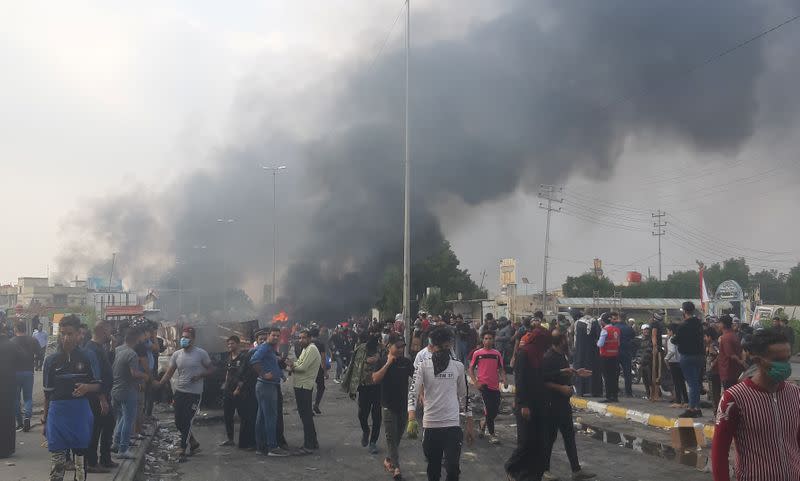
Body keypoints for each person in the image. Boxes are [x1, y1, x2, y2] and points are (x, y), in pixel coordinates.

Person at [711, 328, 800, 481]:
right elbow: (719, 452)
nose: (785, 365)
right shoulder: (734, 399)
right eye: (778, 360)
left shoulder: (795, 393)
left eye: (787, 359)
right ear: (758, 360)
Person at [408, 326, 474, 481]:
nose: (442, 350)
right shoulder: (423, 366)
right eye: (439, 346)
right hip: (431, 425)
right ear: (432, 346)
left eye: (446, 346)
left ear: (450, 345)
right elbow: (413, 392)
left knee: (452, 470)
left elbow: (465, 396)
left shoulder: (458, 366)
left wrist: (469, 423)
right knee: (433, 469)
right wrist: (411, 416)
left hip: (452, 425)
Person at [43, 315, 101, 481]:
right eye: (63, 334)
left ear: (78, 334)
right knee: (57, 461)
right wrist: (45, 420)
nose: (66, 338)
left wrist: (87, 387)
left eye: (69, 333)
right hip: (57, 412)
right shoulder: (51, 360)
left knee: (80, 461)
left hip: (80, 412)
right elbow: (48, 394)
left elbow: (99, 385)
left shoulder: (88, 357)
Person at [542, 333, 595, 481]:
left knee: (569, 436)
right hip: (552, 404)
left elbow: (563, 374)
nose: (569, 341)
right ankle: (544, 470)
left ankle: (576, 470)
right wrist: (560, 388)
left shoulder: (562, 356)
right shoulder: (548, 357)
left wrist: (576, 373)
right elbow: (542, 379)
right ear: (559, 341)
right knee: (549, 438)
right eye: (566, 339)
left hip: (563, 404)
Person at [157, 327, 215, 461]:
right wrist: (159, 384)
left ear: (193, 339)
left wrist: (201, 375)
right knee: (178, 421)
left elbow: (211, 369)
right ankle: (193, 442)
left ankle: (182, 447)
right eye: (183, 337)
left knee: (188, 420)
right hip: (180, 391)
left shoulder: (201, 354)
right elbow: (169, 372)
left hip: (194, 393)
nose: (184, 339)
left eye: (187, 337)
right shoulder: (177, 354)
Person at [505, 326, 551, 481]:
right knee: (526, 441)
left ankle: (530, 473)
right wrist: (523, 404)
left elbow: (541, 376)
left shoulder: (538, 354)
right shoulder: (524, 354)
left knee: (538, 440)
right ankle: (511, 467)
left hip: (539, 402)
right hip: (526, 403)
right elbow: (521, 380)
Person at [372, 332, 413, 481]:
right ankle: (396, 468)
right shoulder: (381, 360)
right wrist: (388, 363)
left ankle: (389, 459)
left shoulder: (406, 362)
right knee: (391, 438)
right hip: (388, 405)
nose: (401, 350)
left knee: (397, 436)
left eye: (402, 347)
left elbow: (415, 378)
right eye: (398, 347)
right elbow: (375, 379)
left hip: (403, 405)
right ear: (389, 346)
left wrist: (420, 394)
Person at [249, 327, 290, 456]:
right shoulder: (265, 347)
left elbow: (271, 363)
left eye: (278, 336)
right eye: (274, 335)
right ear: (268, 336)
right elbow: (254, 360)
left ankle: (260, 447)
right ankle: (272, 447)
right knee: (271, 417)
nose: (276, 338)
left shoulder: (270, 349)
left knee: (261, 417)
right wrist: (263, 374)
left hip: (266, 386)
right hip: (266, 386)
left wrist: (281, 374)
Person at [111, 326, 149, 460]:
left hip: (114, 389)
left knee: (121, 417)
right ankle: (123, 449)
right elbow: (133, 373)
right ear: (137, 339)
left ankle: (116, 442)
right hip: (127, 390)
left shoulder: (117, 350)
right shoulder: (132, 354)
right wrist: (145, 376)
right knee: (129, 419)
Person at [84, 321, 116, 472]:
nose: (111, 333)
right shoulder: (91, 350)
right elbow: (95, 376)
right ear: (103, 331)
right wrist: (102, 399)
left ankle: (105, 458)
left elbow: (106, 367)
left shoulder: (100, 348)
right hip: (97, 397)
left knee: (109, 425)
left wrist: (112, 347)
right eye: (110, 331)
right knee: (95, 429)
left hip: (104, 394)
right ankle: (92, 462)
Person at [468, 331, 506, 444]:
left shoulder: (497, 354)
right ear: (482, 340)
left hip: (495, 386)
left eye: (490, 338)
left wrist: (504, 379)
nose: (488, 340)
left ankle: (483, 423)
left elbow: (501, 369)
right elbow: (470, 369)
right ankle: (492, 434)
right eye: (485, 338)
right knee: (489, 409)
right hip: (483, 386)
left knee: (494, 411)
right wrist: (475, 382)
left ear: (493, 340)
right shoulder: (477, 353)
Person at [287, 329, 321, 454]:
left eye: (304, 338)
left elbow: (302, 367)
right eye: (299, 338)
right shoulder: (305, 349)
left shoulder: (311, 349)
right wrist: (292, 365)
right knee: (305, 416)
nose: (301, 340)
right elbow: (298, 363)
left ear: (310, 338)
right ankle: (313, 441)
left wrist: (291, 366)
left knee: (306, 416)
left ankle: (309, 445)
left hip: (304, 386)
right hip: (300, 385)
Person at [672, 302, 705, 418]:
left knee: (692, 384)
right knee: (696, 382)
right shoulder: (699, 324)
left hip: (687, 356)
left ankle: (691, 408)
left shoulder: (683, 326)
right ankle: (697, 408)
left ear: (684, 312)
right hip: (700, 356)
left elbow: (675, 340)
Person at [1, 323, 25, 458]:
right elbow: (23, 358)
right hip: (8, 386)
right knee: (8, 417)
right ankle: (7, 448)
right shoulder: (11, 345)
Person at [220, 336, 249, 447]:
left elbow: (243, 376)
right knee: (228, 415)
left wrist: (238, 389)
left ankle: (244, 440)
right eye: (228, 344)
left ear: (237, 344)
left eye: (232, 343)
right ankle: (230, 439)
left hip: (239, 391)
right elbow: (228, 372)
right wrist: (225, 384)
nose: (230, 346)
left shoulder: (243, 358)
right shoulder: (229, 357)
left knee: (243, 415)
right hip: (228, 390)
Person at [11, 321, 40, 432]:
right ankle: (27, 417)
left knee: (16, 398)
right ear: (25, 329)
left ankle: (19, 422)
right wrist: (35, 361)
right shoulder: (33, 340)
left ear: (16, 329)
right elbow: (40, 354)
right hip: (28, 372)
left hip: (15, 373)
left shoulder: (11, 342)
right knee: (28, 398)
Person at [596, 312, 621, 403]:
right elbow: (618, 343)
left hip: (605, 357)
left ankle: (608, 396)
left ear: (603, 321)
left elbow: (600, 344)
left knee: (607, 377)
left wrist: (597, 342)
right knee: (614, 377)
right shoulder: (617, 330)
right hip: (615, 356)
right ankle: (614, 396)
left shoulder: (604, 330)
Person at [717, 315, 746, 390]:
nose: (718, 325)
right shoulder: (734, 335)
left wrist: (741, 361)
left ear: (723, 324)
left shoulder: (725, 337)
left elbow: (731, 354)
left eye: (719, 323)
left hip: (727, 371)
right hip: (734, 371)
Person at [665, 323, 688, 408]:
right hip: (681, 361)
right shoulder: (680, 339)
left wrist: (666, 359)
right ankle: (686, 401)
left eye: (668, 330)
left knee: (676, 382)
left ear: (671, 331)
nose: (667, 332)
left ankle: (678, 401)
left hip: (673, 362)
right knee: (681, 382)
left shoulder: (671, 339)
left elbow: (671, 351)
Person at [309, 327, 328, 415]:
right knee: (321, 387)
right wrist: (325, 371)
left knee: (309, 388)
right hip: (318, 369)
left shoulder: (307, 343)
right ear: (318, 334)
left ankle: (309, 408)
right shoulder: (320, 344)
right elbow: (323, 358)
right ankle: (316, 404)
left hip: (308, 368)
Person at [704, 327, 722, 414]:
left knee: (714, 395)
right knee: (714, 394)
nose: (704, 338)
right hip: (712, 372)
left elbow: (719, 354)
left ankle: (717, 414)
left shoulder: (713, 345)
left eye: (705, 336)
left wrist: (713, 363)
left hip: (714, 372)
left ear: (709, 337)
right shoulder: (712, 345)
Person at [618, 317, 636, 398]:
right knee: (627, 373)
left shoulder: (615, 327)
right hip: (627, 352)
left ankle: (616, 390)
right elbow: (633, 337)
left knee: (615, 372)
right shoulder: (629, 328)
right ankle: (628, 392)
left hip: (617, 351)